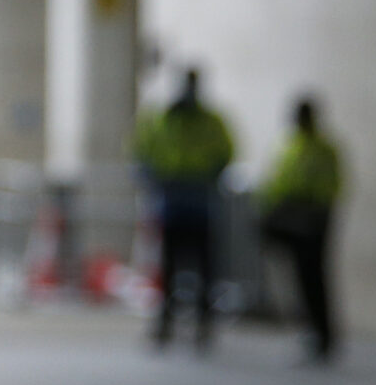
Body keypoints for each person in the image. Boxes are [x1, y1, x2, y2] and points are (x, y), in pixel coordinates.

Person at [132, 68, 235, 351]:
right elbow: (142, 152)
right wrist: (155, 179)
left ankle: (203, 323)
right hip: (172, 205)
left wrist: (206, 176)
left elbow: (226, 153)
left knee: (204, 268)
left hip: (200, 205)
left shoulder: (211, 121)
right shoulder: (163, 119)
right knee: (169, 267)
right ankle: (166, 321)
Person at [259, 96, 343, 360]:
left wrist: (311, 212)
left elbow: (331, 186)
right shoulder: (290, 146)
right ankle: (308, 328)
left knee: (314, 277)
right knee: (299, 276)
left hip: (313, 219)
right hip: (291, 216)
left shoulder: (323, 149)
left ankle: (322, 335)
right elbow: (278, 182)